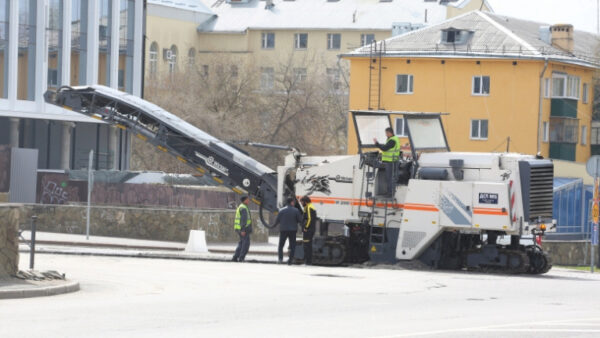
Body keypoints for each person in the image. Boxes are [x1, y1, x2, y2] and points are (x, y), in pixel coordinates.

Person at [273, 197, 303, 265]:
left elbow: (277, 220)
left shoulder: (281, 210)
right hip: (293, 231)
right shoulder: (296, 210)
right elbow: (300, 220)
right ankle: (290, 261)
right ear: (292, 202)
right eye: (293, 202)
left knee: (281, 245)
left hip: (283, 230)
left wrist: (273, 226)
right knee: (292, 246)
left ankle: (280, 259)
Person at [373, 127, 401, 198]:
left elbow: (384, 148)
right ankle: (390, 192)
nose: (386, 135)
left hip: (391, 162)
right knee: (391, 178)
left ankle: (390, 194)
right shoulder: (394, 139)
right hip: (393, 161)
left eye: (386, 133)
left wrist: (377, 144)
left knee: (390, 178)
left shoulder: (392, 141)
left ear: (389, 133)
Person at [232, 196, 252, 262]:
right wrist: (243, 230)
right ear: (245, 200)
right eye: (248, 199)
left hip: (240, 229)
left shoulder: (241, 207)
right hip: (243, 229)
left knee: (241, 243)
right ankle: (241, 258)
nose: (249, 201)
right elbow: (243, 220)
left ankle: (235, 257)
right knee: (245, 244)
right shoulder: (243, 208)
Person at [300, 195, 317, 265]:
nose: (301, 204)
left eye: (302, 202)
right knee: (308, 245)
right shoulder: (310, 206)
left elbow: (309, 219)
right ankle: (308, 261)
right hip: (311, 229)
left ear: (305, 202)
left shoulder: (308, 207)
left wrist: (305, 228)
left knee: (307, 246)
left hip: (308, 230)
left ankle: (308, 262)